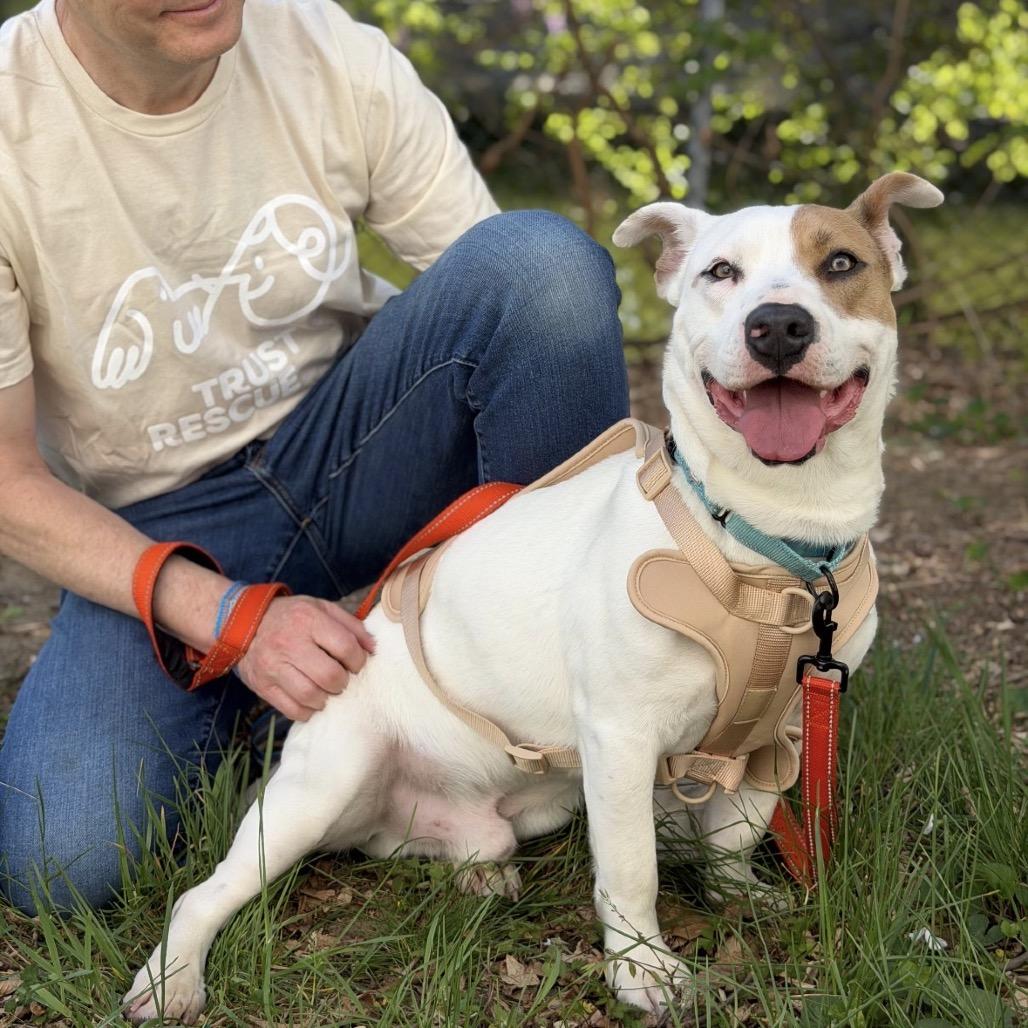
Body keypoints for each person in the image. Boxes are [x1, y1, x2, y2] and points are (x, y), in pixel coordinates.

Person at [0, 0, 629, 914]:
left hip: (361, 441)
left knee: (544, 264)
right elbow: (9, 481)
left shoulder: (325, 47)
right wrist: (231, 619)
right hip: (164, 527)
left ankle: (584, 700)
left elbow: (517, 303)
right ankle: (306, 699)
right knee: (63, 859)